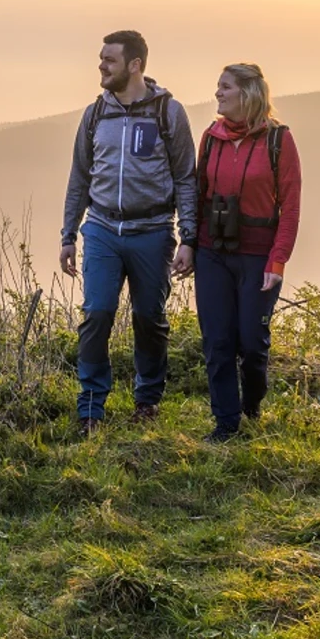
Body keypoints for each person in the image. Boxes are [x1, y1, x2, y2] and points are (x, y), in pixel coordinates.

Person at [60, 30, 198, 435]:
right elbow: (79, 177)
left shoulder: (168, 113)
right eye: (101, 58)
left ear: (135, 65)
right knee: (97, 314)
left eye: (110, 60)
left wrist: (189, 237)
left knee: (149, 318)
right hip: (101, 228)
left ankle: (147, 402)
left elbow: (186, 178)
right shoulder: (95, 114)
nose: (101, 66)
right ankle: (90, 409)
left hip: (152, 231)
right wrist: (68, 234)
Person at [194, 63, 302, 443]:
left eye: (225, 87)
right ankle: (226, 423)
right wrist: (188, 245)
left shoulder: (278, 140)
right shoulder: (211, 138)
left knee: (252, 344)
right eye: (218, 86)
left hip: (258, 257)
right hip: (212, 252)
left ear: (248, 94)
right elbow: (198, 197)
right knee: (217, 341)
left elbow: (290, 207)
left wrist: (278, 260)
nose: (218, 93)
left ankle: (252, 406)